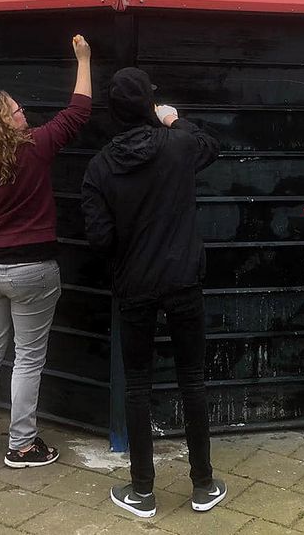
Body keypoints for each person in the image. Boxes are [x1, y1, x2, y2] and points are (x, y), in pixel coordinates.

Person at [81, 67, 222, 519]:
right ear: (148, 104)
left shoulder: (99, 166)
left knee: (137, 386)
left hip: (134, 284)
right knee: (193, 380)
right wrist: (174, 120)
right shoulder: (179, 146)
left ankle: (143, 490)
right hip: (183, 280)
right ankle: (203, 485)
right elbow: (210, 147)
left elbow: (99, 239)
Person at [0, 35, 92, 468]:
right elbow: (79, 110)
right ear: (5, 123)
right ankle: (23, 445)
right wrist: (84, 60)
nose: (23, 113)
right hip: (32, 271)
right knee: (28, 360)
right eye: (16, 111)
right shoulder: (35, 148)